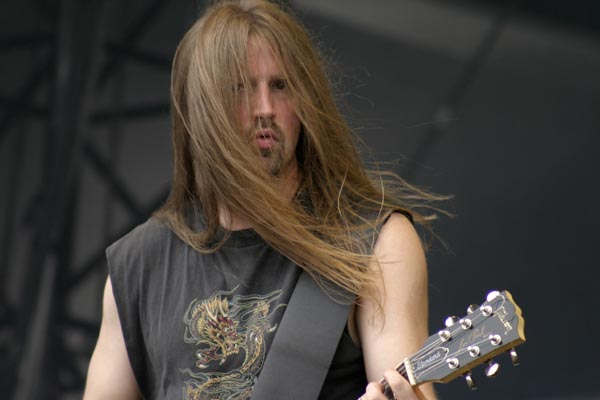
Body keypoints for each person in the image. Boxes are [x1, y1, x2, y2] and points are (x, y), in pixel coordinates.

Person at [84, 1, 442, 399]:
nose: (265, 110)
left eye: (280, 86)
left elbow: (406, 386)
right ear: (201, 109)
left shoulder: (374, 245)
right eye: (241, 88)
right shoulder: (139, 264)